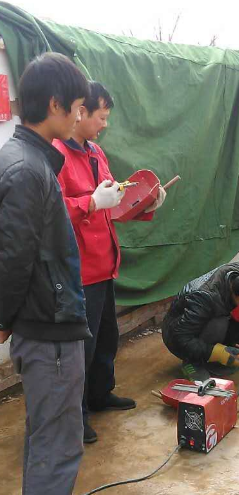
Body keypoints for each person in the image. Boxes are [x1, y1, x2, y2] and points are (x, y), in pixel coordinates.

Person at [0, 53, 99, 495]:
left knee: (51, 428)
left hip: (49, 316)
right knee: (56, 435)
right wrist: (4, 319)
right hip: (47, 325)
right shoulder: (26, 169)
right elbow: (12, 257)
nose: (82, 115)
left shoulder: (30, 159)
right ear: (57, 105)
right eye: (79, 106)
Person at [53, 81, 167, 444]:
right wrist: (89, 202)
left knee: (106, 338)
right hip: (79, 270)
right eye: (101, 117)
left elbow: (114, 205)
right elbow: (50, 211)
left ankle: (100, 395)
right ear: (80, 112)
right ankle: (77, 416)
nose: (105, 124)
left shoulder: (96, 152)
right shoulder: (57, 155)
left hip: (104, 263)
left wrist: (146, 203)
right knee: (80, 350)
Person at [162, 262, 239, 380]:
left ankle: (233, 353)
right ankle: (193, 362)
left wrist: (235, 350)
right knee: (218, 323)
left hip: (204, 319)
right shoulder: (204, 297)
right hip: (177, 335)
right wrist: (216, 352)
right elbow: (181, 338)